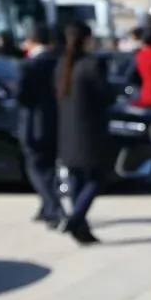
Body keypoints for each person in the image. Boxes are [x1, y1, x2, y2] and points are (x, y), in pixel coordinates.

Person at [56, 20, 111, 244]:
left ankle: (81, 227)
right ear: (87, 39)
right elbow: (105, 96)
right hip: (89, 132)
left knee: (76, 178)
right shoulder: (91, 65)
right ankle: (75, 218)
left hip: (67, 131)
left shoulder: (62, 65)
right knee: (97, 177)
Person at [17, 20, 64, 227]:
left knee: (35, 167)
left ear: (31, 40)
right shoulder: (59, 62)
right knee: (50, 167)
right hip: (55, 120)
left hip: (33, 123)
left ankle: (53, 208)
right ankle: (46, 207)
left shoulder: (28, 66)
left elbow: (22, 96)